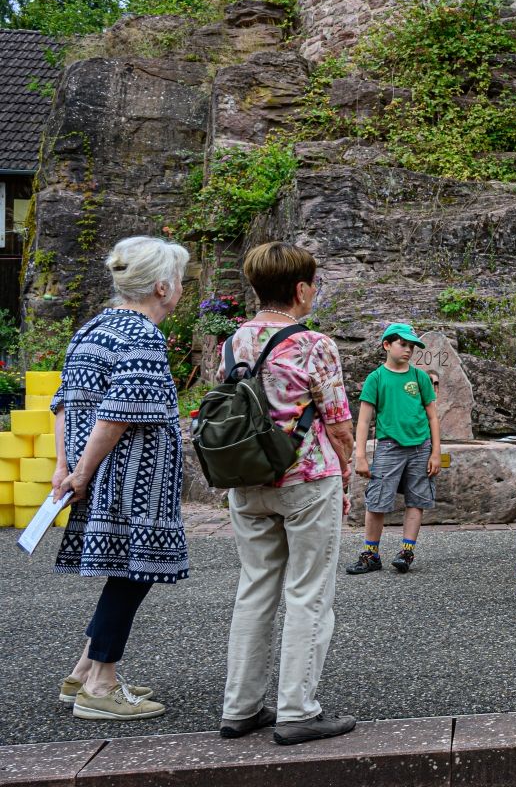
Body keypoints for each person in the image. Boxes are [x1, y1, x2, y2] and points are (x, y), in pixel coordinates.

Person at [217, 241, 360, 744]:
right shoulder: (313, 344)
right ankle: (297, 709)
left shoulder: (233, 344)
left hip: (246, 480)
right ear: (301, 289)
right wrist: (346, 471)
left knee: (254, 590)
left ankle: (240, 708)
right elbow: (339, 422)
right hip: (305, 478)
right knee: (309, 595)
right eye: (314, 285)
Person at [50, 236, 192, 723]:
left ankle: (82, 671)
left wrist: (64, 467)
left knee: (123, 573)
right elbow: (118, 414)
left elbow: (64, 403)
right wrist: (82, 472)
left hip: (96, 473)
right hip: (131, 480)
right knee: (132, 574)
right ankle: (101, 684)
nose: (181, 290)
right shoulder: (142, 335)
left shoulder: (94, 327)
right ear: (161, 286)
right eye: (179, 281)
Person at [347, 323, 441, 575]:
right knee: (377, 501)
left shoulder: (420, 377)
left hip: (420, 447)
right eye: (403, 344)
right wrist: (360, 456)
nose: (408, 350)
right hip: (389, 447)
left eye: (411, 346)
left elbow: (433, 416)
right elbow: (364, 420)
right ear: (387, 345)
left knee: (417, 499)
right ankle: (371, 554)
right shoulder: (376, 378)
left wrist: (435, 452)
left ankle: (406, 551)